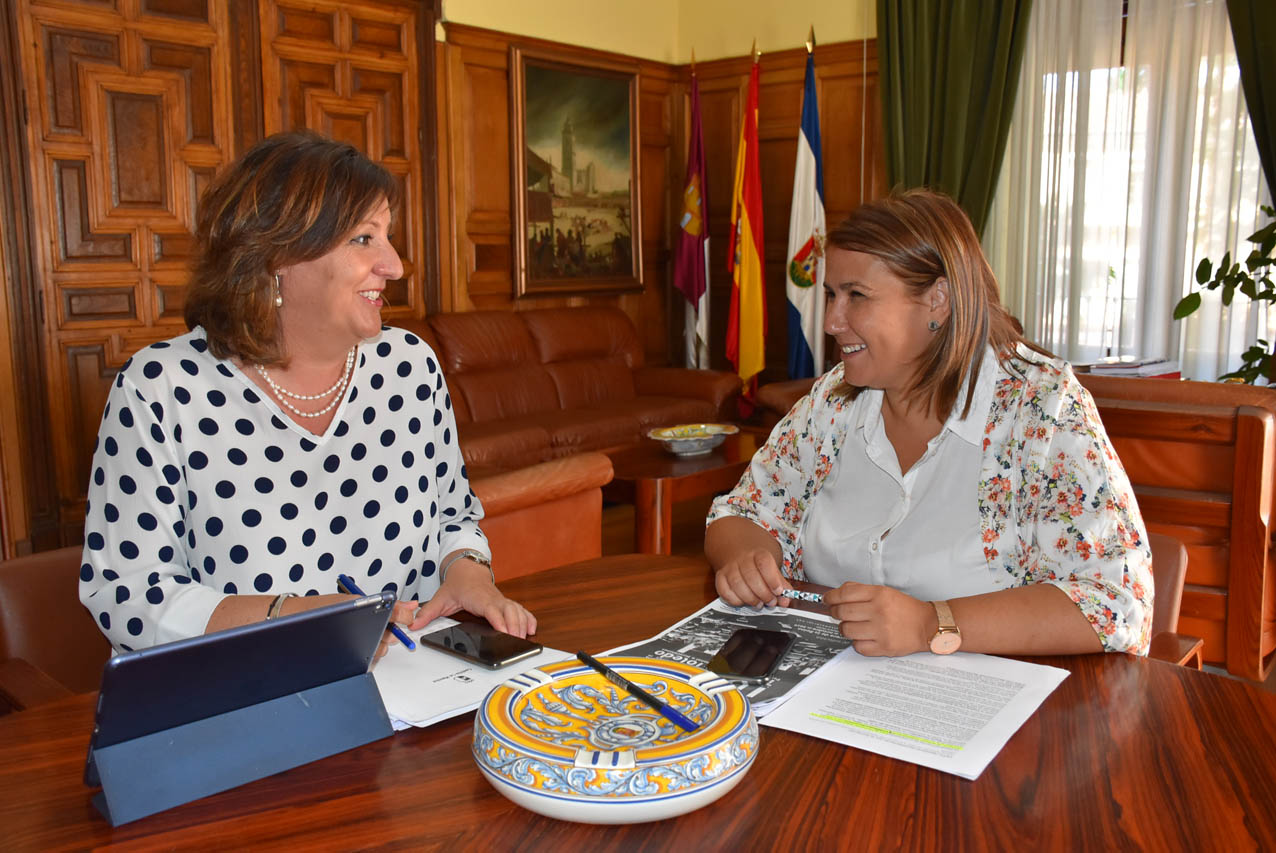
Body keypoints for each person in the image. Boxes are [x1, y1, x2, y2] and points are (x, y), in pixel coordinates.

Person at [79, 131, 535, 656]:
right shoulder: (161, 388)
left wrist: (468, 574)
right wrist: (294, 617)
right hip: (246, 693)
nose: (396, 265)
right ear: (276, 256)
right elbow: (128, 595)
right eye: (364, 238)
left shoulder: (409, 366)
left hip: (413, 684)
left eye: (388, 236)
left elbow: (454, 516)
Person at [706, 189, 1152, 657]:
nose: (832, 322)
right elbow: (742, 512)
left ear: (937, 300)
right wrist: (745, 560)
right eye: (832, 295)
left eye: (856, 296)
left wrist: (930, 624)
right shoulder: (831, 402)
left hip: (987, 705)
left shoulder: (1042, 409)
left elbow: (1117, 605)